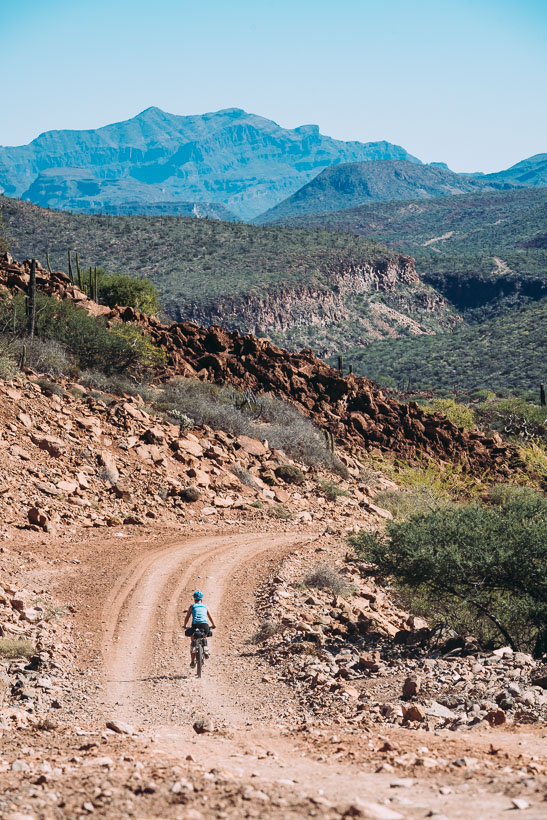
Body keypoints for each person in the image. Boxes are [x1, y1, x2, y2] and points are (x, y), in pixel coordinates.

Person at [183, 591, 216, 667]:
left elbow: (187, 617)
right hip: (204, 624)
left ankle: (192, 661)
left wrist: (184, 625)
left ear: (194, 599)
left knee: (193, 640)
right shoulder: (205, 606)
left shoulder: (192, 606)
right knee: (204, 635)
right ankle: (205, 649)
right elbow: (210, 616)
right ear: (202, 599)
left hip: (195, 625)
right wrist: (213, 625)